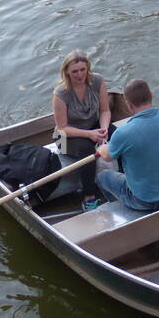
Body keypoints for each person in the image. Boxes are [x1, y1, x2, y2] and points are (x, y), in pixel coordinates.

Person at [96, 78, 159, 214]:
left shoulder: (123, 133)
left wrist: (101, 148)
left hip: (143, 201)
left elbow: (106, 156)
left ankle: (119, 212)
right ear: (151, 96)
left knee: (102, 177)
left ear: (128, 105)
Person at [52, 50, 111, 211]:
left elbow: (105, 111)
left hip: (93, 126)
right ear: (67, 72)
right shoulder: (60, 93)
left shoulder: (98, 82)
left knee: (119, 134)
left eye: (82, 70)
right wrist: (90, 135)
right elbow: (62, 127)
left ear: (88, 68)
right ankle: (88, 197)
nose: (79, 75)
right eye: (75, 71)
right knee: (86, 149)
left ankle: (128, 179)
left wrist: (104, 129)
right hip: (64, 137)